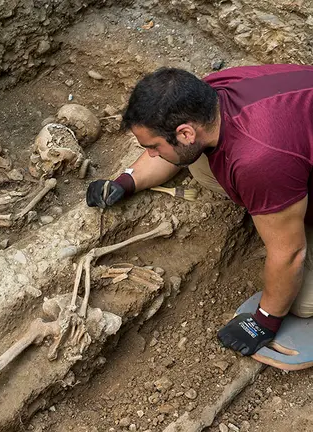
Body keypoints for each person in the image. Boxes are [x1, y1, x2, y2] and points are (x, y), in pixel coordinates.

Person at [85, 65, 313, 357]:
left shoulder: (258, 160)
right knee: (197, 163)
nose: (150, 153)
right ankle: (280, 207)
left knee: (301, 302)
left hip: (275, 161)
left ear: (186, 132)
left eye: (153, 146)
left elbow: (290, 254)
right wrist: (125, 181)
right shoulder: (207, 98)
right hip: (286, 150)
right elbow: (175, 152)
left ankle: (284, 212)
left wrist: (264, 321)